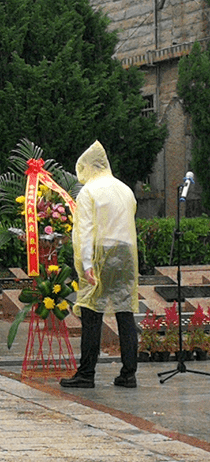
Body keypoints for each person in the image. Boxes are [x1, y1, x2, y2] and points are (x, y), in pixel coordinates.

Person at [60, 141, 139, 389]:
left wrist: (86, 264)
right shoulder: (125, 189)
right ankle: (128, 374)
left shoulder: (89, 191)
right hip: (126, 252)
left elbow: (84, 230)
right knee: (125, 312)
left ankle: (86, 373)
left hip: (100, 251)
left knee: (92, 312)